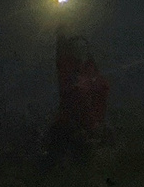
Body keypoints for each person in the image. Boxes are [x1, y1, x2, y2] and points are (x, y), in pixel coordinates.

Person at [45, 31, 109, 164]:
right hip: (71, 127)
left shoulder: (90, 72)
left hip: (86, 127)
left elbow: (98, 96)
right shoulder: (69, 72)